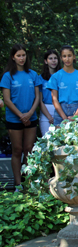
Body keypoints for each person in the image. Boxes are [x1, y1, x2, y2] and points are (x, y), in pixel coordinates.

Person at [0, 44, 41, 189]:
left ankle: (27, 181)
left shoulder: (33, 74)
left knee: (29, 149)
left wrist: (29, 113)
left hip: (31, 118)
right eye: (18, 56)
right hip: (14, 119)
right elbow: (7, 100)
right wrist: (20, 115)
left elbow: (37, 97)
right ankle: (17, 184)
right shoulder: (8, 76)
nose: (21, 58)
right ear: (13, 57)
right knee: (17, 150)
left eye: (23, 55)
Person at [48, 45, 78, 125]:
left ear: (74, 57)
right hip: (60, 111)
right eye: (64, 56)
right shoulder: (55, 77)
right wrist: (64, 118)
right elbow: (54, 99)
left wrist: (75, 116)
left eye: (69, 56)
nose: (67, 59)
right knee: (59, 137)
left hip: (77, 110)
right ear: (61, 58)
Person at [38, 50, 61, 136]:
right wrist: (48, 116)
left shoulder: (62, 76)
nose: (53, 60)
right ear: (45, 61)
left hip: (60, 110)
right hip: (45, 111)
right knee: (46, 141)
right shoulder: (40, 78)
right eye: (50, 58)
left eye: (55, 58)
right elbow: (39, 100)